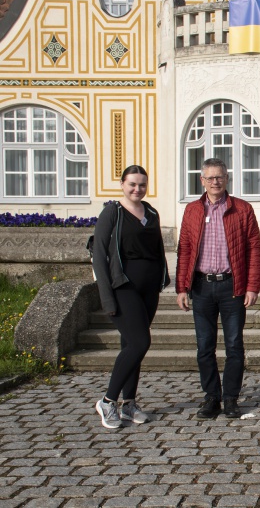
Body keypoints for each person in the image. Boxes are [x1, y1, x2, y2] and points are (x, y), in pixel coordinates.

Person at [175, 158, 260, 420]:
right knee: (204, 347)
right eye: (210, 178)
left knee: (234, 345)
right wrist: (182, 287)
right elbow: (185, 249)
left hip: (231, 286)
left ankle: (231, 398)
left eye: (220, 177)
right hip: (202, 287)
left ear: (227, 178)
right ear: (202, 180)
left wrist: (252, 286)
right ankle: (211, 397)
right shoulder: (192, 210)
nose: (215, 181)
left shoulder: (242, 209)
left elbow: (253, 248)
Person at [92, 165, 170, 429]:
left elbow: (158, 249)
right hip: (123, 286)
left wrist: (162, 278)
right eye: (132, 184)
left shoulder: (151, 212)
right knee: (140, 342)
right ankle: (107, 400)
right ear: (122, 184)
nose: (138, 189)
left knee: (131, 347)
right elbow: (99, 257)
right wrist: (107, 297)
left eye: (142, 185)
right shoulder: (111, 213)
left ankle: (129, 404)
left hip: (148, 289)